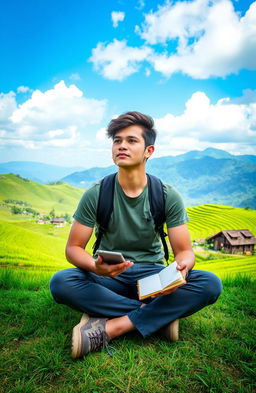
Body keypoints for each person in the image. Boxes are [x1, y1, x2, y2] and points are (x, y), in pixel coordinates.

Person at [50, 111, 222, 359]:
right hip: (108, 276)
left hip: (153, 276)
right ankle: (159, 318)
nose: (121, 146)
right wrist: (95, 267)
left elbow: (184, 252)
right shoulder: (96, 193)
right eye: (117, 140)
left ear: (148, 151)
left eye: (131, 141)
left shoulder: (166, 194)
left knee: (209, 284)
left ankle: (114, 325)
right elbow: (73, 248)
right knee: (61, 282)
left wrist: (181, 270)